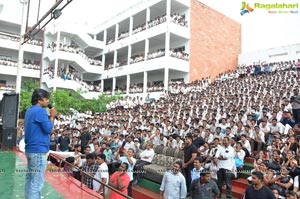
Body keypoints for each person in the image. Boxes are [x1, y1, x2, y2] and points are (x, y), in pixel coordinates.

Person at [24, 88, 56, 199]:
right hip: (38, 151)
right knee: (37, 183)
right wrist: (52, 116)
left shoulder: (29, 110)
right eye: (46, 99)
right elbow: (48, 129)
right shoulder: (40, 111)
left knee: (30, 181)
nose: (48, 101)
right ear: (39, 100)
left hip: (30, 150)